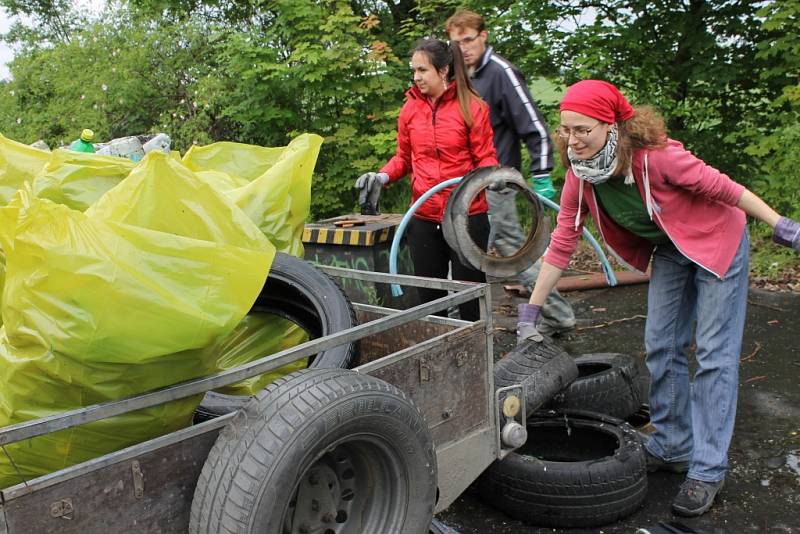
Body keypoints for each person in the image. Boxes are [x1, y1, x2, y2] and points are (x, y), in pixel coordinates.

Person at [517, 79, 800, 517]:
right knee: (661, 345)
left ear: (611, 127)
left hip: (717, 241)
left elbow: (724, 188)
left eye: (582, 130)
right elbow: (563, 242)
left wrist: (779, 223)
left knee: (713, 355)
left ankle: (707, 469)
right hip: (671, 247)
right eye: (565, 130)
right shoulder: (582, 174)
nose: (571, 140)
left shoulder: (659, 158)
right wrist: (532, 309)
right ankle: (671, 446)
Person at [445, 9, 575, 335]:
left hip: (497, 184)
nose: (463, 48)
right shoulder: (460, 77)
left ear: (483, 36)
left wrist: (542, 174)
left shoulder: (500, 73)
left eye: (468, 40)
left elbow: (534, 127)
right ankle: (453, 322)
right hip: (467, 187)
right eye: (456, 43)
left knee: (512, 252)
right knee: (463, 250)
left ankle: (557, 315)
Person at [355, 38, 498, 321]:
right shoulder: (410, 110)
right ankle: (437, 356)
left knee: (469, 298)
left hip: (466, 216)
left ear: (443, 70)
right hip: (424, 215)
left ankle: (476, 357)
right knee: (429, 300)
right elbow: (403, 159)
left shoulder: (472, 107)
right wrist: (382, 176)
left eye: (422, 70)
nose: (416, 77)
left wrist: (492, 177)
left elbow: (486, 159)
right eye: (414, 70)